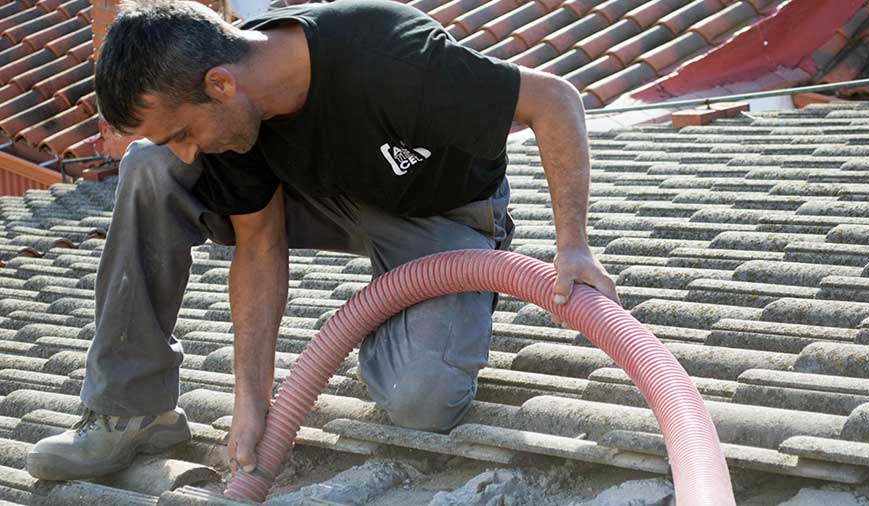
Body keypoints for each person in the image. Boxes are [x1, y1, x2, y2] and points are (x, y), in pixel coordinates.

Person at [25, 0, 619, 481]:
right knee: (149, 168)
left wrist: (572, 246)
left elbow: (555, 99)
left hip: (438, 213)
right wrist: (252, 403)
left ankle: (416, 317)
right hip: (317, 197)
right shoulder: (232, 122)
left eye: (182, 130)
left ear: (221, 84)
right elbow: (260, 245)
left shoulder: (389, 56)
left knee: (422, 401)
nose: (186, 148)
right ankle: (131, 408)